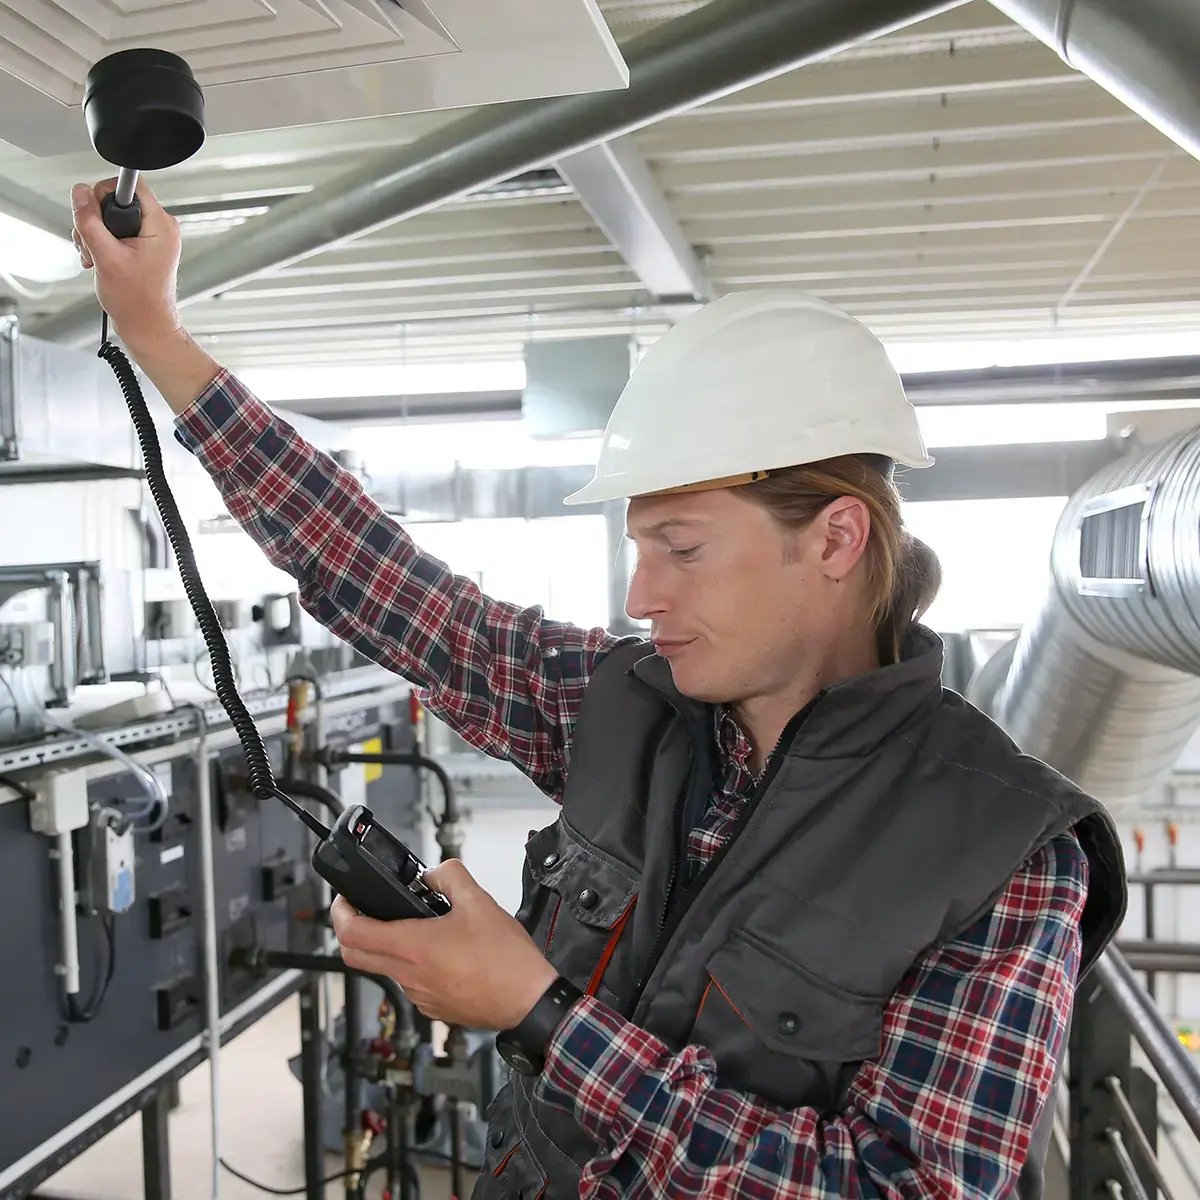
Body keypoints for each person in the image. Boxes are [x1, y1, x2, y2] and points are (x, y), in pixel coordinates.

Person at [72, 177, 1125, 1199]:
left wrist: (540, 1013)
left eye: (682, 547)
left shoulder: (1003, 854)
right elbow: (381, 575)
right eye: (638, 548)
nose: (641, 593)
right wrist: (156, 329)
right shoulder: (624, 703)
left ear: (836, 539)